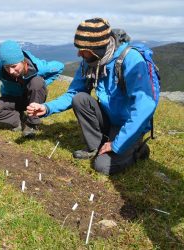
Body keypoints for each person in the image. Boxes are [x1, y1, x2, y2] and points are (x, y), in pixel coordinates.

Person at [27, 17, 157, 175]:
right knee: (80, 98)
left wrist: (117, 144)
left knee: (102, 167)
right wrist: (46, 108)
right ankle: (94, 146)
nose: (78, 53)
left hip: (129, 124)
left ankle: (138, 150)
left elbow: (145, 107)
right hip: (109, 117)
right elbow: (74, 93)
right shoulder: (89, 62)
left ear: (99, 47)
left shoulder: (130, 60)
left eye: (83, 49)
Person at [0, 40, 64, 137]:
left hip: (31, 99)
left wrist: (43, 84)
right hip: (10, 99)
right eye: (7, 67)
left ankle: (31, 123)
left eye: (14, 66)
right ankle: (19, 120)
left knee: (37, 82)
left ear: (23, 62)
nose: (11, 71)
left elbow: (59, 66)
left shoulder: (38, 67)